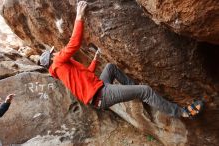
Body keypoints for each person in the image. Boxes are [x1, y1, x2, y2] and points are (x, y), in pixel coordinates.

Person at [40, 1, 203, 118]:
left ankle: (134, 90)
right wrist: (79, 16)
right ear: (51, 58)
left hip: (97, 89)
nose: (56, 51)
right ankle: (181, 112)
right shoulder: (58, 61)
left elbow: (87, 75)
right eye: (53, 52)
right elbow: (73, 44)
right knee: (145, 90)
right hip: (102, 95)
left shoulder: (60, 70)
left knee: (110, 67)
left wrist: (95, 60)